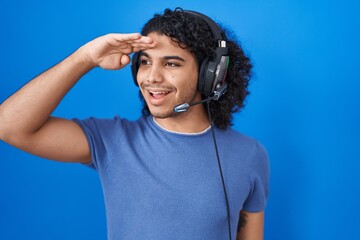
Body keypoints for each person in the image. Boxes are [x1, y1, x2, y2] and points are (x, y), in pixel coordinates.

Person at [0, 8, 269, 240]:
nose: (152, 77)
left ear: (212, 75)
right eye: (145, 62)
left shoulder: (250, 154)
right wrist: (84, 59)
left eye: (171, 63)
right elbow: (9, 125)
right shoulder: (113, 140)